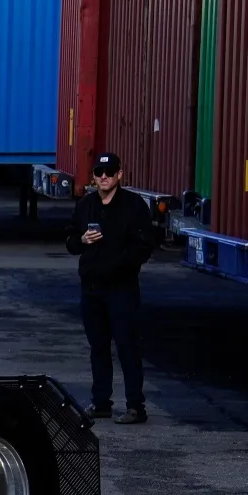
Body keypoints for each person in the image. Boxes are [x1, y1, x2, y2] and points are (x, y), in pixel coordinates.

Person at [64, 151, 158, 423]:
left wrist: (120, 266)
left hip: (121, 289)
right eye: (98, 173)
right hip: (91, 289)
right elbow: (70, 241)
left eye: (109, 172)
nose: (103, 177)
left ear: (119, 174)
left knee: (127, 346)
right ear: (93, 177)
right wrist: (82, 239)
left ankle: (135, 407)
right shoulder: (85, 205)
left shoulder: (133, 206)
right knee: (98, 347)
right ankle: (101, 402)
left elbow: (143, 246)